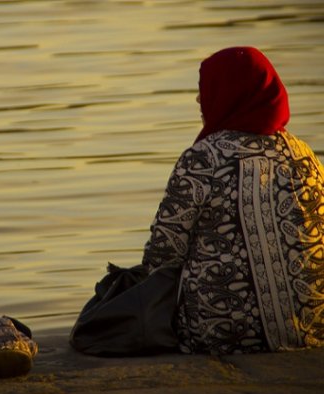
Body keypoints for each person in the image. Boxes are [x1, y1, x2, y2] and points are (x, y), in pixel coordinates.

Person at [71, 47, 324, 356]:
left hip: (221, 335)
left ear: (227, 94)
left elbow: (163, 255)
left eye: (205, 91)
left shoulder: (203, 158)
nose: (198, 102)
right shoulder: (305, 156)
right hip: (313, 328)